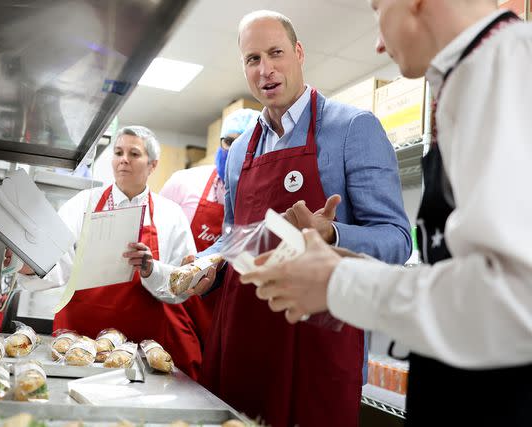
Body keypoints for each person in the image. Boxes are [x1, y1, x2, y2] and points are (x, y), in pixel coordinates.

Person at [241, 1, 532, 426]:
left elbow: (517, 301)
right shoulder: (469, 78)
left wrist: (339, 278)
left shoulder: (508, 68)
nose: (378, 42)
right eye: (252, 58)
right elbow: (471, 271)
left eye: (377, 8)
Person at [191, 10, 412, 427]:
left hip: (319, 345)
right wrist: (208, 264)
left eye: (276, 53)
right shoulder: (239, 152)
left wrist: (330, 232)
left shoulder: (353, 128)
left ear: (299, 53)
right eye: (253, 59)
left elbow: (398, 240)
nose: (266, 69)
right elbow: (235, 238)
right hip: (243, 343)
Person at [8, 126, 202, 378]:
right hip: (79, 339)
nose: (123, 159)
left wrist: (151, 269)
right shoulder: (83, 203)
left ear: (152, 165)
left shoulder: (171, 214)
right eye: (118, 152)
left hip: (142, 345)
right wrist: (26, 264)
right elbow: (57, 261)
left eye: (134, 154)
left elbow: (181, 285)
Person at [160, 108, 260, 345]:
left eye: (245, 144)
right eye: (228, 142)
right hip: (181, 311)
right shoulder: (184, 183)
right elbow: (156, 242)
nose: (235, 151)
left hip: (234, 317)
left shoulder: (267, 198)